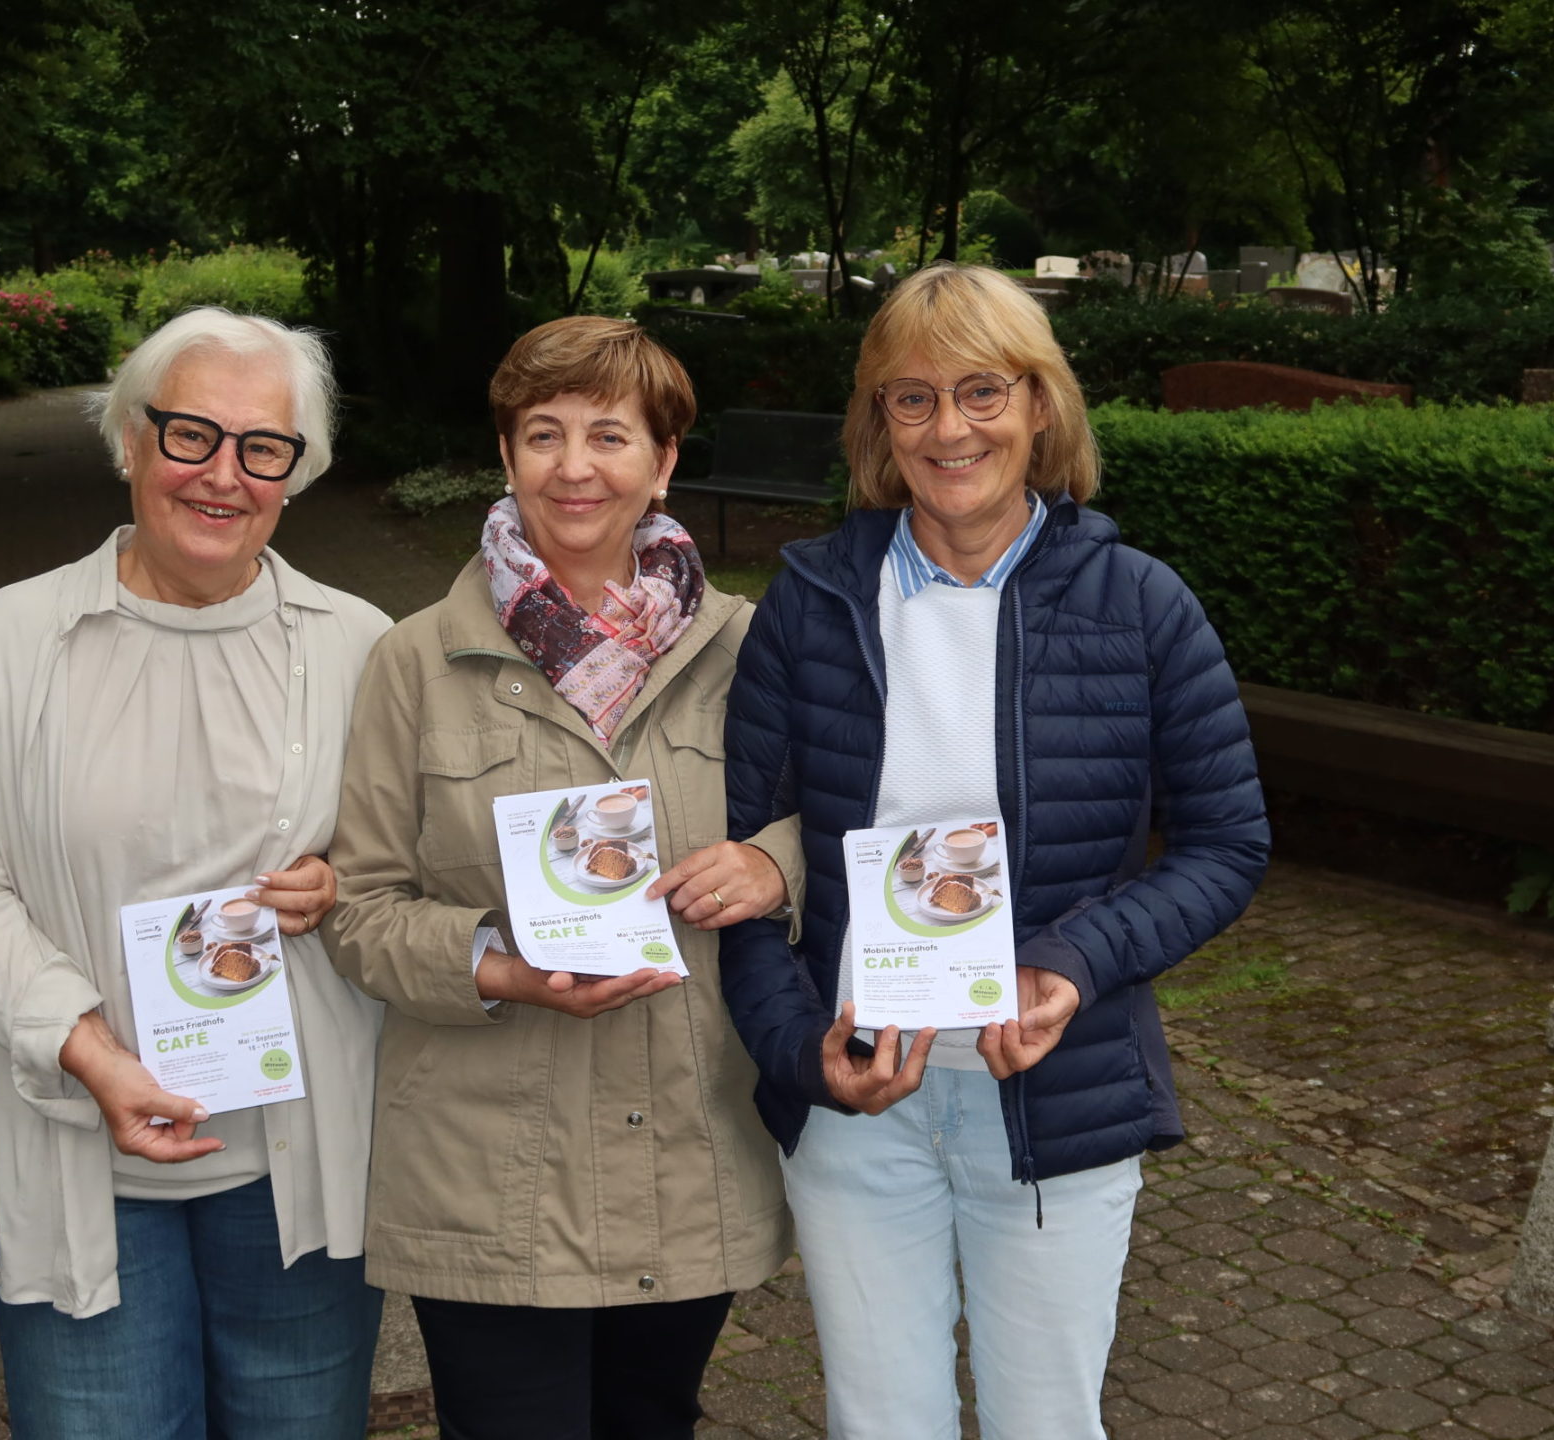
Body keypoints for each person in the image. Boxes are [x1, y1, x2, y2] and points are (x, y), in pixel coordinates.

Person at [718, 263, 1271, 1440]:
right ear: (879, 426)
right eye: (910, 399)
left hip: (1054, 1097)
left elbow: (1228, 843)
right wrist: (804, 1057)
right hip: (863, 1096)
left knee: (1044, 1424)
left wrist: (1072, 961)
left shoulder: (1141, 606)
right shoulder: (810, 604)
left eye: (982, 390)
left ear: (1039, 407)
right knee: (881, 1422)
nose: (949, 427)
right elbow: (747, 875)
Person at [0, 308, 391, 1440]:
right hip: (82, 1143)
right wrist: (88, 1050)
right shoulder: (14, 638)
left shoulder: (360, 644)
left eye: (262, 447)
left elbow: (403, 863)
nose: (223, 475)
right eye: (189, 435)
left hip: (297, 1158)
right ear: (130, 440)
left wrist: (342, 889)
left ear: (296, 472)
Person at [324, 315, 797, 1440]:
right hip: (490, 1174)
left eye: (610, 435)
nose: (575, 467)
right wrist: (499, 964)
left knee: (653, 1423)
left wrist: (774, 869)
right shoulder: (416, 659)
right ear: (505, 455)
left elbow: (834, 824)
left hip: (686, 1149)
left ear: (663, 461)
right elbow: (359, 907)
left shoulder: (751, 645)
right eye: (543, 434)